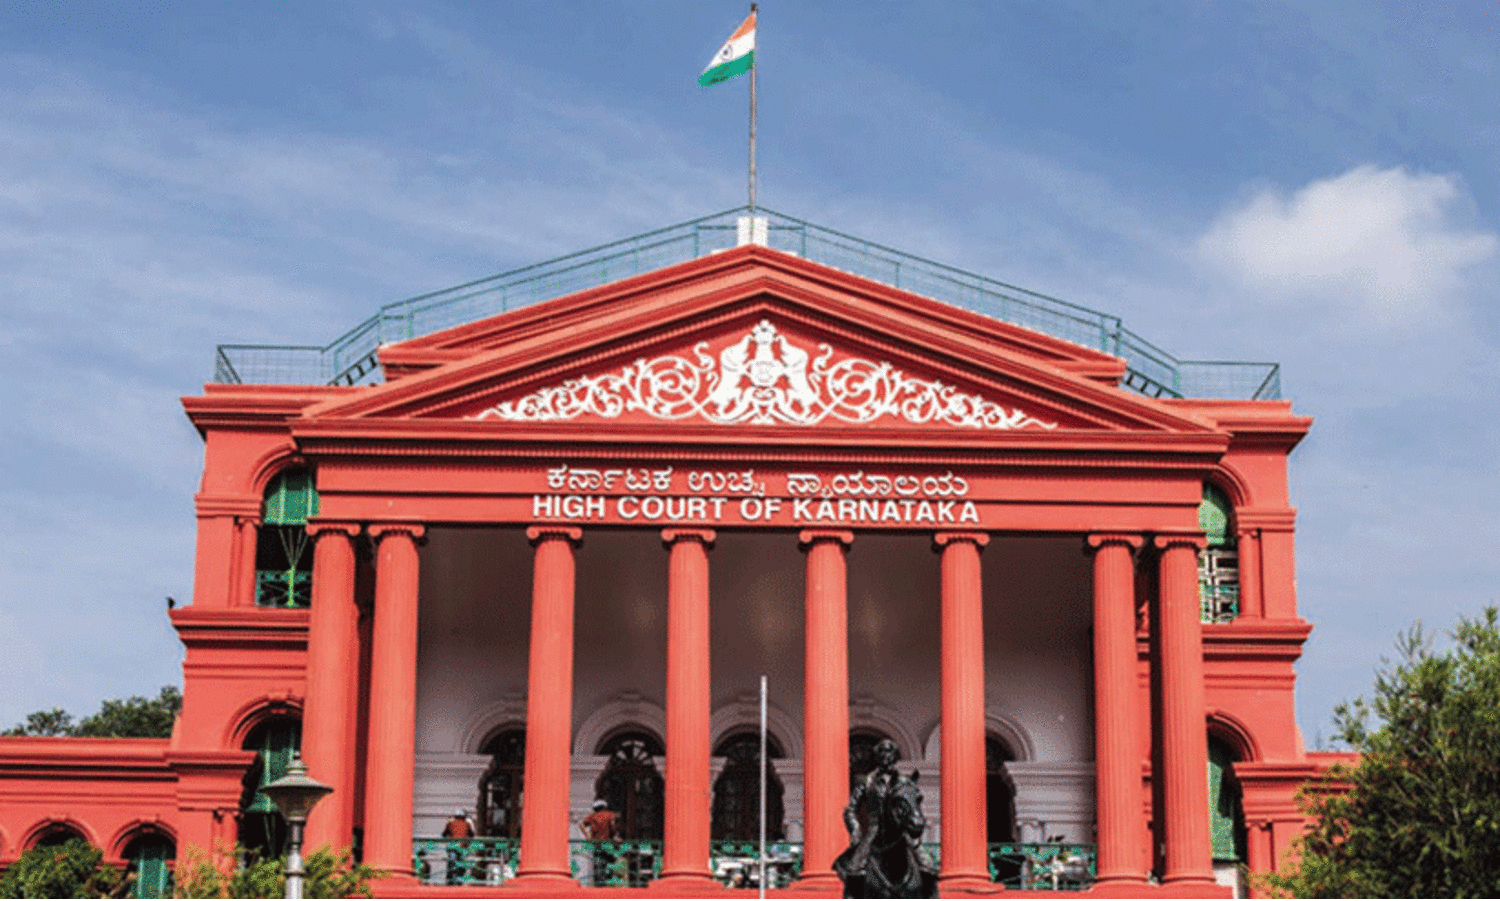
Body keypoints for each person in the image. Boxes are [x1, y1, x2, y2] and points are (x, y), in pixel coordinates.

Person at [834, 740, 938, 899]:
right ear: (877, 757)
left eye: (889, 754)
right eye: (882, 754)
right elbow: (850, 810)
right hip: (873, 831)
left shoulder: (904, 782)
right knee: (854, 869)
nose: (886, 757)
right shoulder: (867, 782)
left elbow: (912, 804)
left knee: (928, 865)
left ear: (895, 757)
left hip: (901, 830)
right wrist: (855, 831)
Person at [441, 808, 475, 885]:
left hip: (452, 846)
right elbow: (472, 835)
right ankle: (459, 881)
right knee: (462, 864)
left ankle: (449, 881)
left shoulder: (450, 823)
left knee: (451, 864)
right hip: (463, 847)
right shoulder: (467, 823)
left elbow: (444, 834)